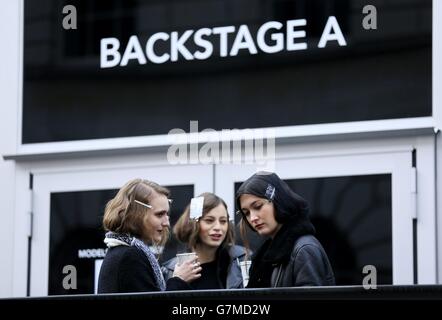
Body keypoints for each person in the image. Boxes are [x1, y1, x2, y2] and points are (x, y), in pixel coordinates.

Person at [98, 179, 201, 293]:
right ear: (136, 214)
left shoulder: (125, 250)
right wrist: (179, 280)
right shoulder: (130, 255)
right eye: (159, 214)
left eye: (167, 214)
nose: (166, 222)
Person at [236, 171, 335, 287]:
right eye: (246, 213)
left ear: (278, 201)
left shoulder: (304, 249)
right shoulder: (266, 253)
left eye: (258, 206)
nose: (252, 218)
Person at [162, 192, 250, 289]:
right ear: (192, 224)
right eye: (209, 220)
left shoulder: (243, 259)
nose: (218, 227)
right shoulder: (170, 270)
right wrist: (178, 282)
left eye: (223, 221)